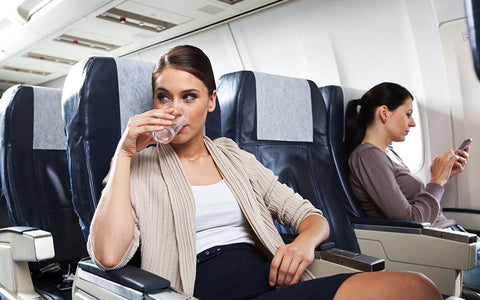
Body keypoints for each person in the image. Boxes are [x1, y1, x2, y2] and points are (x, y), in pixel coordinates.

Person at [87, 46, 441, 300]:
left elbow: (311, 217)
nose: (174, 109)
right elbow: (108, 255)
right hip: (198, 288)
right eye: (164, 97)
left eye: (189, 96)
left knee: (416, 288)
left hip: (271, 280)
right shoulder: (139, 165)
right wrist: (125, 151)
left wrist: (303, 243)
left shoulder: (232, 155)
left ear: (210, 101)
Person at [345, 82, 480, 292]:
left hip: (455, 240)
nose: (414, 123)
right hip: (442, 249)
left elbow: (419, 206)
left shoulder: (388, 153)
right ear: (384, 113)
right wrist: (437, 181)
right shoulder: (368, 156)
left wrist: (444, 175)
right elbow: (411, 221)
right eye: (408, 114)